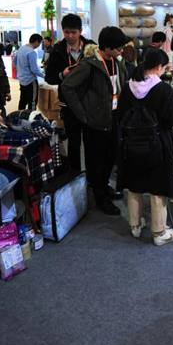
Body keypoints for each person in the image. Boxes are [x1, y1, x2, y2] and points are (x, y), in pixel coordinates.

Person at [116, 47, 173, 246]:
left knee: (134, 184)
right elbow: (172, 119)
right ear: (159, 66)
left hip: (131, 144)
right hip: (157, 144)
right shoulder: (164, 89)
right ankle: (159, 232)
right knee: (157, 187)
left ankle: (135, 226)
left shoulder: (128, 86)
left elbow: (120, 116)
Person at [59, 26, 128, 216]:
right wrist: (82, 114)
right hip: (94, 121)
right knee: (96, 160)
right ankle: (100, 197)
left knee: (110, 157)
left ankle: (104, 186)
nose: (121, 51)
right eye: (118, 48)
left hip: (114, 117)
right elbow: (67, 87)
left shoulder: (117, 62)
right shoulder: (89, 65)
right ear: (107, 47)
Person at [46, 14, 94, 172]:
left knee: (91, 141)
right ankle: (75, 175)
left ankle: (92, 176)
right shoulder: (57, 51)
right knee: (73, 142)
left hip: (89, 102)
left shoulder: (92, 48)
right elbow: (49, 78)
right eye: (67, 32)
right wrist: (62, 74)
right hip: (68, 104)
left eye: (74, 32)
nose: (70, 36)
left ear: (80, 31)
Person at [16, 33, 45, 111]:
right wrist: (44, 76)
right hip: (30, 81)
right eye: (39, 43)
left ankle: (20, 115)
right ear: (36, 41)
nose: (39, 45)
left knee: (23, 100)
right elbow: (34, 69)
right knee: (32, 101)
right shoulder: (32, 52)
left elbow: (15, 61)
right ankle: (30, 117)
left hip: (22, 80)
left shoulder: (21, 48)